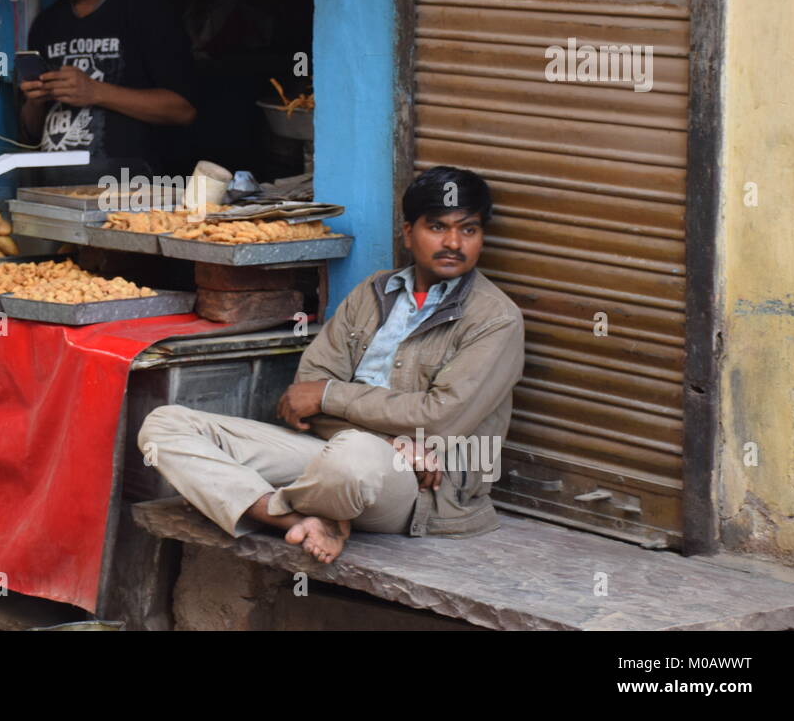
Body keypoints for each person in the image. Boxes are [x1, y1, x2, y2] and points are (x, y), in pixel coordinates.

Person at [138, 166, 526, 564]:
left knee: (354, 456)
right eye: (438, 227)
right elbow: (303, 398)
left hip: (417, 488)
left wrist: (331, 398)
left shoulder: (495, 319)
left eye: (469, 230)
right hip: (339, 455)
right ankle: (300, 517)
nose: (453, 243)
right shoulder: (372, 293)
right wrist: (389, 441)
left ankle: (278, 507)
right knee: (164, 426)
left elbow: (440, 419)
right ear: (409, 233)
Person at [14, 0, 195, 185]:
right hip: (59, 197)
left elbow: (183, 110)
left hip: (135, 196)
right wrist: (35, 103)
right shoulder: (47, 25)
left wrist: (96, 92)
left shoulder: (147, 11)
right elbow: (30, 135)